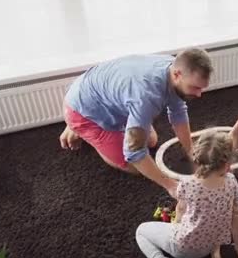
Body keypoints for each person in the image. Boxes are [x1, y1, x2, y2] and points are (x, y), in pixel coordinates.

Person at [59, 49, 213, 197]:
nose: (199, 94)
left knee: (151, 141)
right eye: (195, 87)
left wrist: (191, 151)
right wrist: (171, 186)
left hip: (112, 99)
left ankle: (77, 124)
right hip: (86, 111)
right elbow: (134, 153)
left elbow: (178, 113)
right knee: (137, 166)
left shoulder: (175, 66)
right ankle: (76, 126)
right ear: (177, 75)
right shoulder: (146, 97)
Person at [135, 131, 238, 258]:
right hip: (211, 245)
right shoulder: (232, 182)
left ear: (197, 158)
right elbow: (236, 215)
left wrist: (175, 225)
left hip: (183, 247)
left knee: (141, 231)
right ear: (226, 165)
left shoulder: (187, 184)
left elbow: (181, 209)